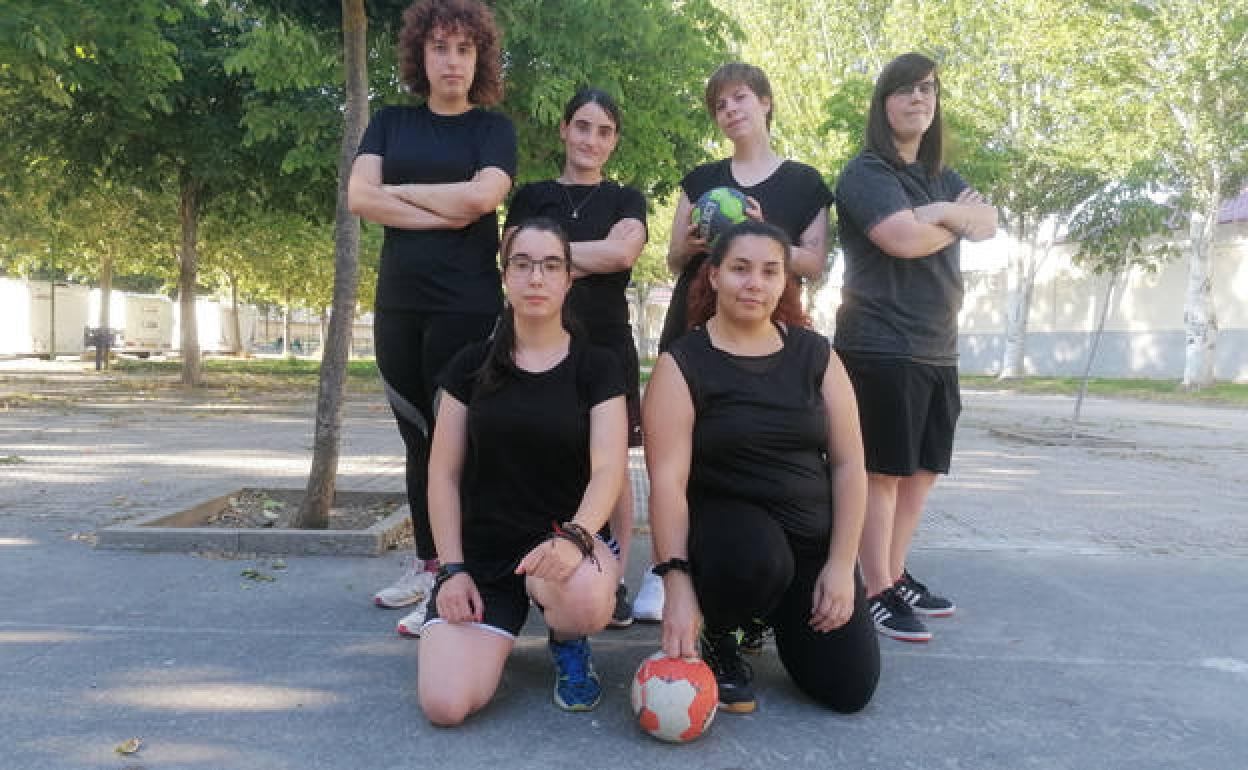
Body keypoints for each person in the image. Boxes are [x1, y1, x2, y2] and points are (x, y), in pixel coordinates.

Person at [644, 220, 879, 715]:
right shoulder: (683, 363)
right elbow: (666, 484)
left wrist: (840, 566)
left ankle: (763, 615)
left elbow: (849, 463)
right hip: (732, 543)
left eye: (770, 271)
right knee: (756, 556)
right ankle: (721, 630)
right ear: (713, 276)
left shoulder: (816, 355)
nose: (755, 282)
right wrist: (677, 584)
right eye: (740, 269)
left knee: (848, 689)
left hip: (812, 544)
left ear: (785, 281)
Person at [640, 61, 834, 625]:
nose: (731, 111)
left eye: (740, 98)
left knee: (756, 437)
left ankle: (765, 560)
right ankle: (668, 567)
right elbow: (675, 256)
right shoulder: (701, 180)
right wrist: (703, 242)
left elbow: (814, 262)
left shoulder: (803, 183)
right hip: (698, 317)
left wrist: (758, 232)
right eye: (721, 105)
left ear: (767, 103)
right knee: (677, 446)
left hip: (774, 324)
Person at [347, 0, 516, 638]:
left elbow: (482, 198)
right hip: (399, 306)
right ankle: (428, 565)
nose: (452, 60)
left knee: (462, 444)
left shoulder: (492, 130)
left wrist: (401, 194)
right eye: (440, 47)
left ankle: (463, 575)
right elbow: (360, 197)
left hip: (467, 307)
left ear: (480, 59)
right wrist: (444, 208)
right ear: (421, 55)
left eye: (464, 49)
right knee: (416, 440)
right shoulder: (390, 123)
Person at [417, 219, 628, 723]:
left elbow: (608, 471)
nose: (537, 277)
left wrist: (575, 538)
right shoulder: (469, 365)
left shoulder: (597, 367)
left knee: (580, 598)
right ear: (505, 276)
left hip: (565, 545)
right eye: (523, 263)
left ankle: (567, 637)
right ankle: (496, 628)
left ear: (568, 279)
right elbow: (442, 476)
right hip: (486, 555)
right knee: (445, 705)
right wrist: (451, 571)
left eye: (551, 265)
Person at [833, 52, 998, 642]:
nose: (918, 99)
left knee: (922, 470)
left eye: (928, 89)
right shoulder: (864, 173)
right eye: (905, 90)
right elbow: (899, 239)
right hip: (879, 345)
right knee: (881, 472)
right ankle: (872, 586)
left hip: (937, 346)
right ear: (884, 104)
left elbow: (991, 222)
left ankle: (894, 573)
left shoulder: (942, 176)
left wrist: (943, 210)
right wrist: (954, 217)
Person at [503, 88, 647, 629]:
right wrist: (589, 258)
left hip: (607, 345)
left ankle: (616, 578)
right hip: (536, 344)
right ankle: (529, 568)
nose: (592, 139)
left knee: (614, 464)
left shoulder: (627, 200)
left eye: (605, 131)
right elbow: (512, 258)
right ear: (564, 129)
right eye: (583, 126)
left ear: (614, 141)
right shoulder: (532, 195)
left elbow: (622, 253)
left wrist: (548, 258)